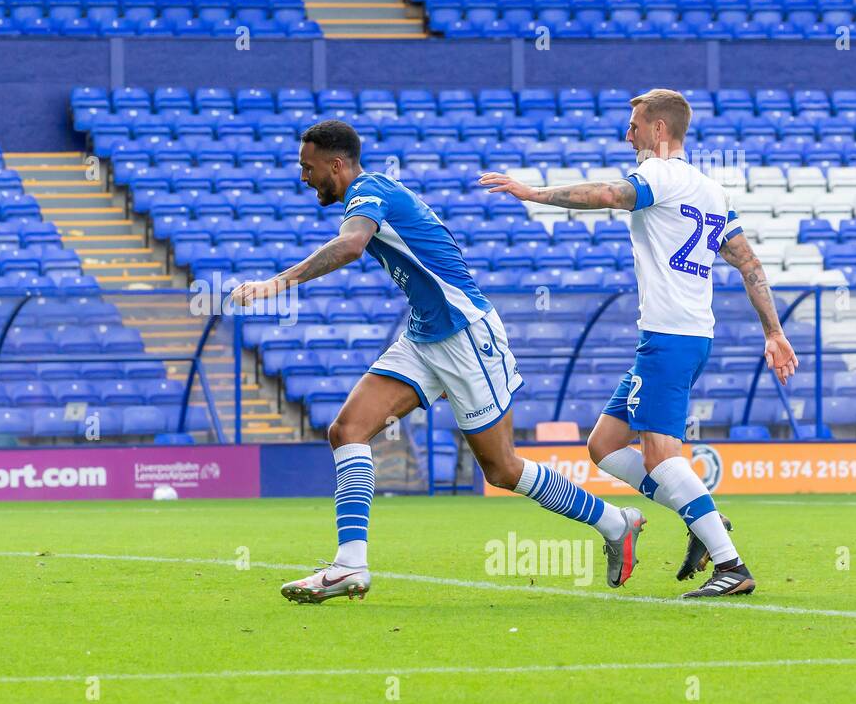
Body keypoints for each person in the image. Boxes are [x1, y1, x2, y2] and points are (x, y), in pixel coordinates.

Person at [231, 120, 645, 603]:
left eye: (308, 167)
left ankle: (616, 521)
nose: (304, 177)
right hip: (426, 334)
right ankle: (349, 565)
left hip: (466, 335)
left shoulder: (369, 191)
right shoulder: (372, 192)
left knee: (502, 469)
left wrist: (275, 284)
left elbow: (351, 245)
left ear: (336, 164)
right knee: (347, 431)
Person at [480, 88, 798, 598]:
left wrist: (534, 193)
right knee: (603, 445)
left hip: (670, 337)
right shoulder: (711, 190)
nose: (626, 133)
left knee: (662, 458)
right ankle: (703, 521)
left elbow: (609, 195)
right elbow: (750, 263)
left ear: (658, 129)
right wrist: (774, 331)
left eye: (633, 124)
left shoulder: (659, 174)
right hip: (686, 336)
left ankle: (730, 563)